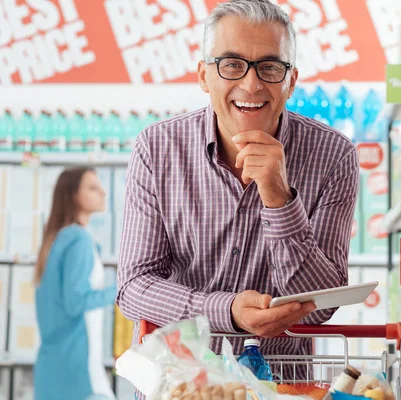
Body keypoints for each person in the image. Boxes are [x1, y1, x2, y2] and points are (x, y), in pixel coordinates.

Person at [117, 0, 358, 377]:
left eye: (270, 67)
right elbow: (134, 287)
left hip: (279, 386)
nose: (251, 84)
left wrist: (280, 198)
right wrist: (226, 311)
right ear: (203, 76)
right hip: (178, 383)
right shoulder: (157, 148)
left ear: (291, 81)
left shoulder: (333, 156)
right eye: (231, 64)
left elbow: (322, 306)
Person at [34, 167, 117, 400]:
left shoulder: (56, 239)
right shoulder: (78, 239)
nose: (103, 192)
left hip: (52, 367)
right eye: (92, 187)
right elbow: (76, 301)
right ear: (73, 195)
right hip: (77, 370)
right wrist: (123, 289)